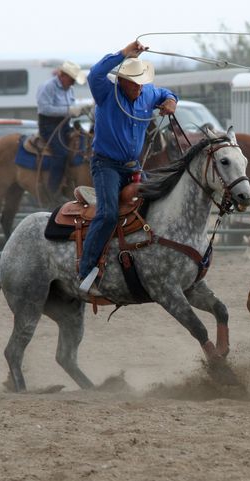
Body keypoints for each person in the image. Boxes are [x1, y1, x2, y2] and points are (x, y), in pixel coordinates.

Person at [79, 40, 178, 294]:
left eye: (140, 82)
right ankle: (86, 271)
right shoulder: (106, 92)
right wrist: (123, 53)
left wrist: (171, 102)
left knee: (157, 201)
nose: (138, 87)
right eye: (133, 82)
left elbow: (168, 93)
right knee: (108, 213)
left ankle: (150, 260)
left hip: (133, 166)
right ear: (121, 81)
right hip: (106, 165)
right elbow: (95, 73)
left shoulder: (147, 93)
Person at [36, 60, 90, 194]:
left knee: (84, 143)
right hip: (49, 126)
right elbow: (44, 109)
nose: (73, 82)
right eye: (72, 79)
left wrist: (80, 110)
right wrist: (69, 111)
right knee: (61, 154)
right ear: (63, 75)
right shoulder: (48, 86)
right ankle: (52, 192)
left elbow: (71, 107)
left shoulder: (69, 89)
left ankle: (71, 182)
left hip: (64, 125)